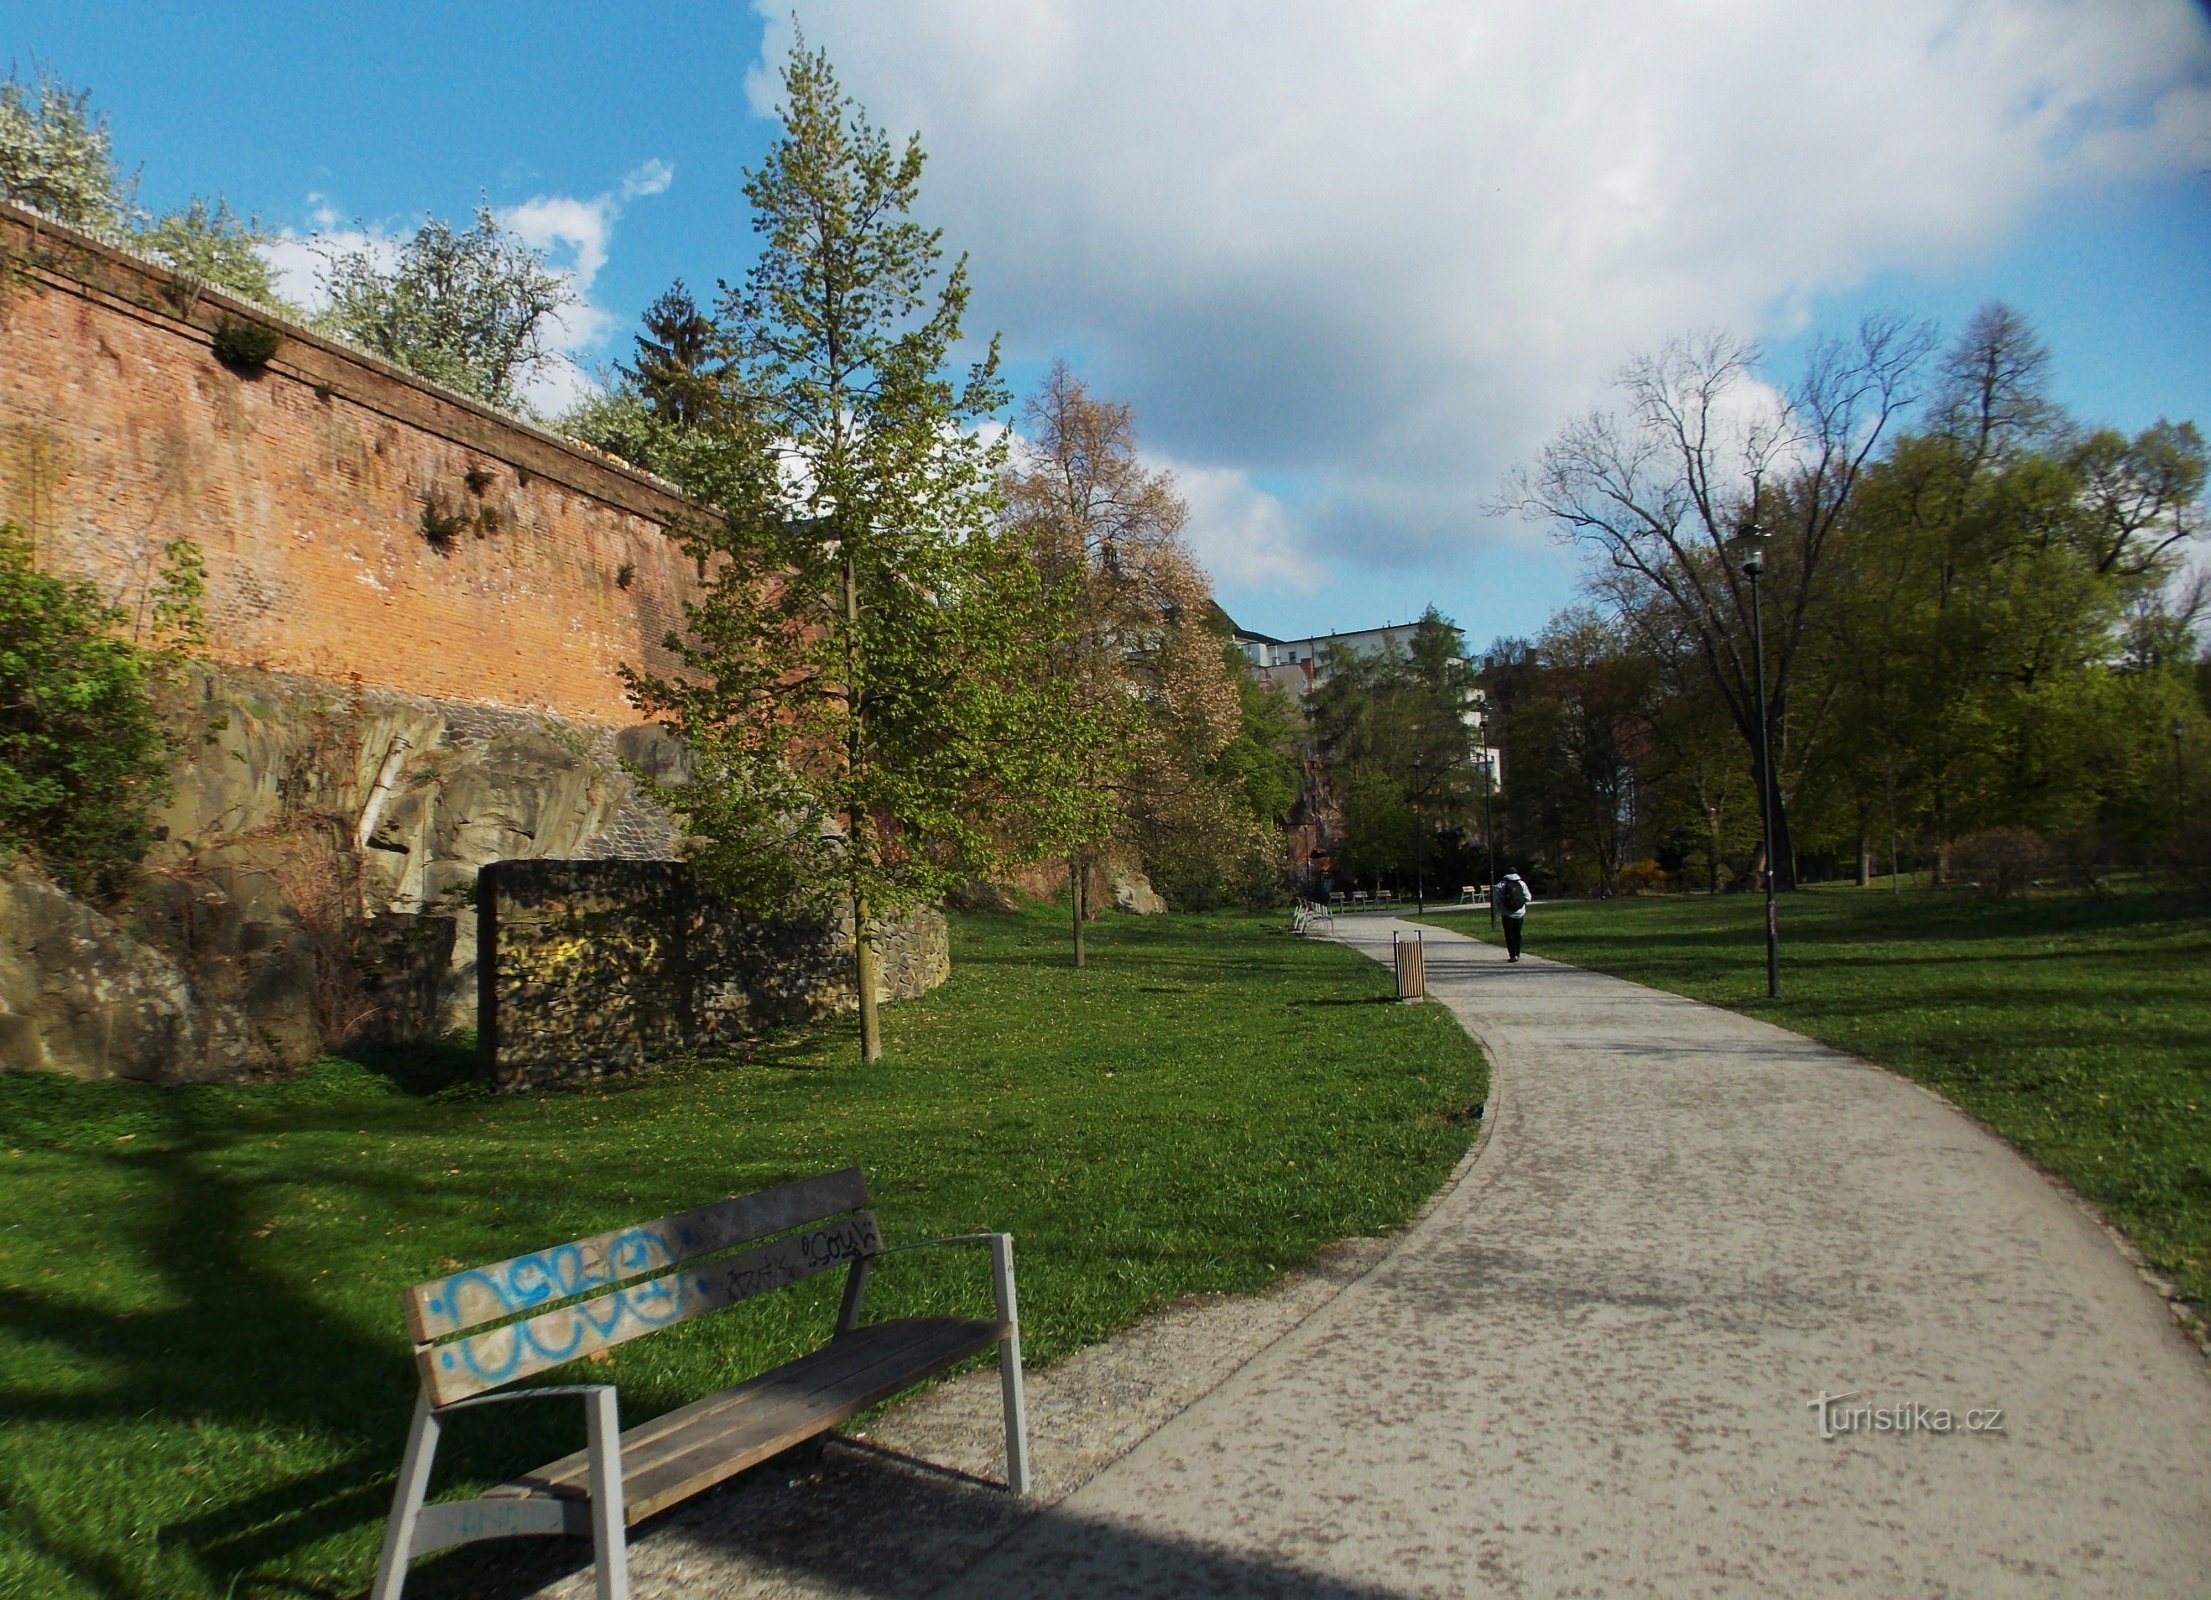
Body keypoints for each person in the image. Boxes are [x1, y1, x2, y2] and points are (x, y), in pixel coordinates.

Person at [1496, 872, 1531, 962]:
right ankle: (1518, 953)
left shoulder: (1501, 884)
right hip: (1520, 913)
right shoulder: (1522, 883)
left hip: (1506, 914)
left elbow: (1497, 899)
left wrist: (1503, 909)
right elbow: (1528, 897)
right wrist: (1520, 905)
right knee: (1517, 934)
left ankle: (1512, 955)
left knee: (1509, 934)